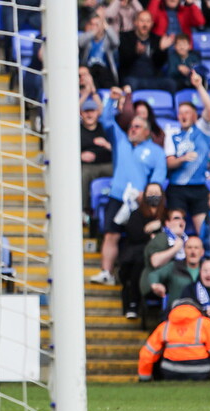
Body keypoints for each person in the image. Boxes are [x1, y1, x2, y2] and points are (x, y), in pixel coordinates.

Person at [90, 85, 166, 286]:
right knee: (111, 234)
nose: (133, 129)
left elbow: (159, 177)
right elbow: (106, 120)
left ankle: (136, 280)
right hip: (117, 196)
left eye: (138, 127)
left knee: (139, 238)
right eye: (132, 126)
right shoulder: (121, 141)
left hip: (140, 201)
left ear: (147, 132)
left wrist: (146, 195)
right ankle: (106, 272)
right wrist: (112, 100)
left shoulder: (156, 151)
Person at [164, 72, 210, 234]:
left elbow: (209, 108)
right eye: (180, 113)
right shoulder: (172, 134)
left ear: (195, 116)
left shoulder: (202, 129)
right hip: (177, 188)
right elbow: (169, 162)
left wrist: (199, 86)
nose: (183, 116)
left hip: (199, 187)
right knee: (175, 229)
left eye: (187, 112)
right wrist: (183, 159)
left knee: (204, 231)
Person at [138, 298, 210, 382]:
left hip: (170, 371)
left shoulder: (165, 326)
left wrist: (144, 377)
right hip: (200, 371)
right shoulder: (205, 323)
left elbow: (147, 354)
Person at [119, 182, 166, 319]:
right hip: (139, 254)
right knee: (138, 263)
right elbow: (135, 236)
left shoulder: (166, 215)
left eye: (156, 193)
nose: (153, 196)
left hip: (164, 254)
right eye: (150, 193)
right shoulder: (136, 214)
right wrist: (151, 236)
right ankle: (133, 302)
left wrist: (159, 225)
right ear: (144, 195)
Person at [117, 10, 171, 91]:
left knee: (170, 84)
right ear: (135, 22)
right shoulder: (126, 37)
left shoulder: (157, 39)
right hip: (133, 78)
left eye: (148, 21)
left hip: (152, 79)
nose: (145, 24)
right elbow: (123, 62)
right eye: (142, 21)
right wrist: (136, 52)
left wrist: (161, 50)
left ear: (152, 24)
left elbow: (159, 64)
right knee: (130, 83)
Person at [146, 235, 205, 309]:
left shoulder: (207, 268)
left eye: (196, 248)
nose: (193, 251)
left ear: (202, 252)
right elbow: (154, 275)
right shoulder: (174, 266)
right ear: (184, 250)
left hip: (201, 312)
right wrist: (155, 285)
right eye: (189, 247)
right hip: (176, 311)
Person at [80, 94, 113, 217]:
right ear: (81, 114)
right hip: (88, 167)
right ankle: (83, 210)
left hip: (107, 164)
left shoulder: (105, 128)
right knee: (84, 174)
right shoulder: (77, 130)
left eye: (92, 111)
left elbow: (118, 150)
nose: (89, 114)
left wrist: (106, 144)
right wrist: (80, 156)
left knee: (121, 170)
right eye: (86, 111)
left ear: (97, 113)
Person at [79, 13, 120, 89]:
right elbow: (80, 43)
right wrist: (93, 33)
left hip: (105, 70)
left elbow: (116, 42)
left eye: (97, 24)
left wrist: (107, 27)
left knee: (102, 72)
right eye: (92, 24)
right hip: (90, 70)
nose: (94, 27)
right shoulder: (88, 38)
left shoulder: (107, 39)